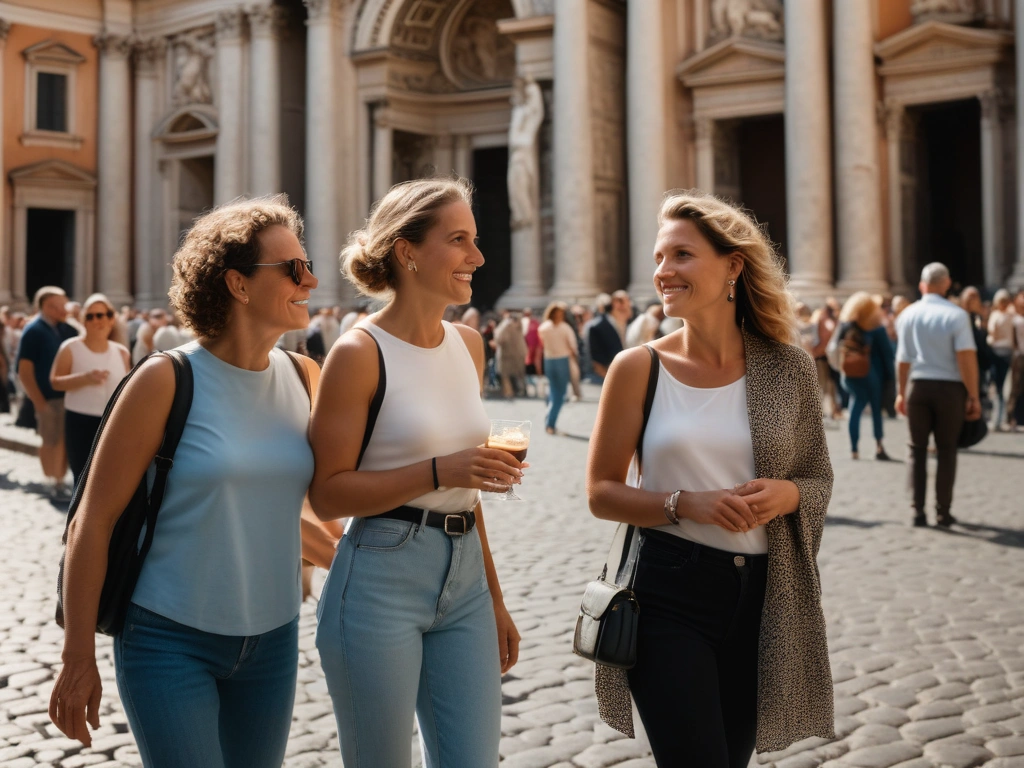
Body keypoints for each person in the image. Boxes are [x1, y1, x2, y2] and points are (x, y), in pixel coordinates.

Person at [49, 196, 341, 766]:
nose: (310, 280)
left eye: (307, 265)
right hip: (168, 640)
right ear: (237, 284)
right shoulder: (164, 379)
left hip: (274, 640)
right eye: (293, 268)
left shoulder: (305, 375)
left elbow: (276, 513)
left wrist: (361, 567)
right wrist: (77, 655)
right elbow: (92, 520)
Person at [586, 190, 834, 767]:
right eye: (659, 257)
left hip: (765, 599)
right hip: (667, 593)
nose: (663, 271)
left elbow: (817, 477)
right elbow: (601, 493)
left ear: (733, 266)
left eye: (682, 255)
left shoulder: (789, 367)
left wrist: (788, 494)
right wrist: (685, 504)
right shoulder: (638, 367)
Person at [309, 177, 522, 768]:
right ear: (407, 252)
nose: (477, 256)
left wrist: (494, 598)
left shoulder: (469, 345)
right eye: (458, 240)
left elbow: (466, 496)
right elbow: (327, 495)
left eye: (474, 239)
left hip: (466, 574)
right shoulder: (358, 352)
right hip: (380, 575)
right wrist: (439, 469)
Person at [896, 262, 981, 528]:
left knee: (916, 449)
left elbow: (902, 361)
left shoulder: (908, 314)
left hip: (917, 387)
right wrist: (973, 395)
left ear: (922, 284)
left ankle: (917, 511)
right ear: (946, 284)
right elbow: (966, 358)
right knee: (946, 450)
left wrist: (900, 393)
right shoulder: (956, 315)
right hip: (949, 390)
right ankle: (943, 511)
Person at [49, 294, 130, 489]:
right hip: (80, 421)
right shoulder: (70, 348)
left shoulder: (121, 352)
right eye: (90, 316)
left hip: (112, 422)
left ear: (111, 319)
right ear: (83, 320)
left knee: (110, 480)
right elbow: (55, 382)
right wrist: (85, 378)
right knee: (82, 479)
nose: (96, 320)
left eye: (101, 315)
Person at [16, 286, 78, 499]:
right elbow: (25, 370)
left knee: (63, 441)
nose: (64, 310)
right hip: (48, 398)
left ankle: (60, 479)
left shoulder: (65, 329)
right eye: (58, 306)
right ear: (46, 306)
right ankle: (51, 481)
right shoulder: (34, 330)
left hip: (67, 397)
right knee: (51, 440)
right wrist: (39, 402)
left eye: (64, 305)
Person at [836, 293, 894, 460]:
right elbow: (887, 354)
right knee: (876, 410)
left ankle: (854, 449)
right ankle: (879, 446)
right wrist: (890, 377)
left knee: (855, 406)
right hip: (872, 374)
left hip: (849, 373)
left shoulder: (846, 326)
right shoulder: (877, 329)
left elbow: (836, 347)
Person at [538, 301, 578, 434]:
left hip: (549, 360)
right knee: (560, 393)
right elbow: (573, 346)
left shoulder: (544, 327)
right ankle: (551, 422)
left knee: (553, 389)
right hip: (561, 360)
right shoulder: (565, 328)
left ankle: (549, 413)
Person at [987, 289, 1015, 430]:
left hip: (1006, 352)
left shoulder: (1010, 315)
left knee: (1004, 388)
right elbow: (993, 332)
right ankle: (997, 418)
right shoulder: (997, 315)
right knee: (997, 388)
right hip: (997, 353)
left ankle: (1002, 419)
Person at [586, 292, 627, 381]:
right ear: (615, 304)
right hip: (609, 374)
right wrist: (607, 376)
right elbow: (596, 356)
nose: (628, 305)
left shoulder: (629, 321)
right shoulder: (598, 326)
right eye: (623, 302)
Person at [495, 309, 528, 397]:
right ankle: (522, 389)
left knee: (505, 374)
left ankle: (509, 391)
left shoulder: (505, 325)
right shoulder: (520, 324)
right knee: (520, 373)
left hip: (506, 353)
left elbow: (499, 338)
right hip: (519, 352)